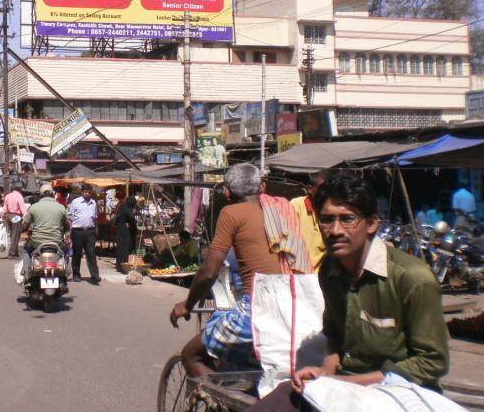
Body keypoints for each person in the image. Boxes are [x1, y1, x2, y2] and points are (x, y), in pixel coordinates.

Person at [253, 172, 450, 410]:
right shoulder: (329, 271)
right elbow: (335, 336)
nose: (335, 230)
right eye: (326, 220)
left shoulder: (412, 278)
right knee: (280, 397)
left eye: (347, 219)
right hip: (347, 388)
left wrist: (347, 382)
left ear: (372, 224)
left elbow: (432, 362)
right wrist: (324, 373)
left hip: (401, 391)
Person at [169, 163, 282, 378]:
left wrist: (187, 304)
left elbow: (209, 271)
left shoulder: (231, 213)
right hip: (294, 307)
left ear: (228, 191)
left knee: (190, 354)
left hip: (257, 308)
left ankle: (214, 400)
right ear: (262, 187)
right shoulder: (282, 210)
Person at [21, 184, 70, 279]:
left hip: (37, 242)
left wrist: (22, 230)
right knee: (66, 251)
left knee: (25, 250)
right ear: (52, 194)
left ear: (41, 195)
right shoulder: (61, 207)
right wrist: (67, 237)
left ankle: (26, 271)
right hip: (56, 242)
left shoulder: (34, 207)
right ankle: (68, 272)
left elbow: (25, 226)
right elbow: (67, 226)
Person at [290, 172, 327, 272]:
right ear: (310, 189)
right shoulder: (296, 205)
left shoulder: (329, 210)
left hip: (322, 276)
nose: (326, 193)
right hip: (299, 274)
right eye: (322, 188)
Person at [68, 183, 101, 284]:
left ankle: (95, 275)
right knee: (77, 254)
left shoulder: (93, 203)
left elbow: (95, 217)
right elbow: (70, 217)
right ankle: (76, 274)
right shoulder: (75, 202)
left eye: (89, 192)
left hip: (90, 231)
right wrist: (69, 232)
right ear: (81, 192)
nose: (87, 194)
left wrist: (96, 229)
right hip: (77, 231)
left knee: (91, 253)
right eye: (85, 192)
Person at [114, 194, 138, 274]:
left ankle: (119, 265)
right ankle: (124, 267)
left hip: (120, 229)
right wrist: (133, 225)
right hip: (125, 230)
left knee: (120, 247)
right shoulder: (128, 209)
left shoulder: (123, 206)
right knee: (125, 248)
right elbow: (131, 218)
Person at [3, 185, 27, 258]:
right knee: (15, 235)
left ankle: (13, 252)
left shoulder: (8, 196)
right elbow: (23, 208)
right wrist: (26, 217)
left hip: (8, 215)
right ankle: (12, 253)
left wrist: (3, 217)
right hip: (16, 216)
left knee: (11, 235)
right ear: (19, 190)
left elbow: (4, 208)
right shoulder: (19, 196)